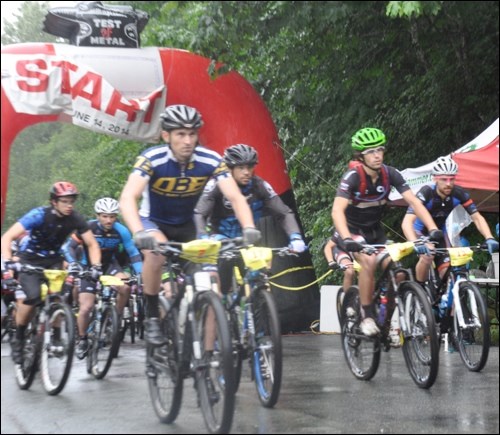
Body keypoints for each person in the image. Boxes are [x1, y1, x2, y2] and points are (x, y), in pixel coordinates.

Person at [119, 104, 261, 346]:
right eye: (180, 134)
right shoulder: (151, 159)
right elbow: (127, 198)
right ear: (166, 135)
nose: (187, 141)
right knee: (154, 254)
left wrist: (248, 227)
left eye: (192, 134)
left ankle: (208, 359)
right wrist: (138, 232)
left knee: (212, 290)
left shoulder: (210, 160)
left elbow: (236, 197)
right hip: (154, 222)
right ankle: (153, 316)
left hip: (188, 227)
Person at [331, 127, 442, 336]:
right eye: (371, 152)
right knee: (369, 262)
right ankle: (366, 316)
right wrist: (346, 238)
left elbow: (414, 202)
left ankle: (385, 321)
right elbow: (337, 211)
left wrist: (433, 228)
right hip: (353, 232)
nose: (377, 155)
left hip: (375, 233)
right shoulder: (353, 177)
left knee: (399, 273)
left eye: (380, 150)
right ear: (361, 156)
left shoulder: (390, 174)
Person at [0, 182, 101, 364]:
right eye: (64, 201)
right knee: (33, 297)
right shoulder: (38, 215)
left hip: (53, 261)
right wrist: (8, 263)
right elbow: (7, 237)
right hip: (29, 260)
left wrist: (96, 266)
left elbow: (92, 244)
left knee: (59, 299)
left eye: (72, 201)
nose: (69, 205)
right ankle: (20, 338)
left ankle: (55, 338)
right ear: (54, 202)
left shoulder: (75, 218)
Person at [193, 143, 306, 293]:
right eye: (241, 168)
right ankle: (221, 306)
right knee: (221, 283)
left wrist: (295, 237)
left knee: (259, 278)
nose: (246, 172)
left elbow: (284, 213)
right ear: (230, 169)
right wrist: (202, 236)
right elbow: (200, 213)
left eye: (250, 167)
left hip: (249, 239)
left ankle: (257, 304)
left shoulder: (260, 186)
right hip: (220, 237)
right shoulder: (217, 184)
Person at [62, 197, 143, 359]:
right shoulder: (88, 227)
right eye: (105, 216)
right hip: (88, 265)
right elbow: (68, 247)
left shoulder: (121, 230)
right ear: (97, 215)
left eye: (112, 216)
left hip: (109, 265)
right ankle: (83, 338)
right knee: (86, 308)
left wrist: (140, 273)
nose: (109, 220)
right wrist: (73, 263)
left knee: (125, 287)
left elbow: (133, 253)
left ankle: (116, 317)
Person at [402, 156, 499, 284]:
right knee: (427, 255)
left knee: (447, 271)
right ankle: (420, 291)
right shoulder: (426, 193)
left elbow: (477, 217)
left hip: (440, 232)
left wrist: (489, 237)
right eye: (444, 179)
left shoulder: (458, 193)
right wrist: (415, 242)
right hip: (419, 231)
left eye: (452, 179)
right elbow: (407, 222)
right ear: (435, 178)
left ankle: (449, 299)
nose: (448, 183)